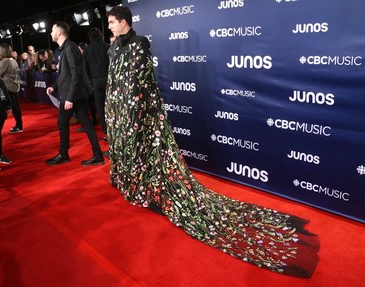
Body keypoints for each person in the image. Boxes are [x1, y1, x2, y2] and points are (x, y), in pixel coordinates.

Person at [105, 6, 319, 278]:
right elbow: (114, 83)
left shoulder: (140, 43)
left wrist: (137, 111)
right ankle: (132, 179)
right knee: (131, 150)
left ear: (124, 22)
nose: (109, 26)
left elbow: (142, 82)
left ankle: (149, 181)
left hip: (142, 113)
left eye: (112, 22)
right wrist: (114, 113)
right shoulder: (112, 48)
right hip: (120, 114)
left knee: (149, 150)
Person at [46, 21, 104, 166]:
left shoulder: (70, 48)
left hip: (73, 95)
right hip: (75, 94)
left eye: (52, 30)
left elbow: (76, 73)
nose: (51, 33)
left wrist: (69, 98)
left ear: (59, 32)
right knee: (85, 123)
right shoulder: (65, 48)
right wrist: (53, 86)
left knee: (62, 122)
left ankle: (64, 154)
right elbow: (65, 74)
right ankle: (97, 155)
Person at [82, 27, 110, 140]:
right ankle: (113, 128)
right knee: (111, 105)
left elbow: (85, 68)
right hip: (109, 81)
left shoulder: (87, 50)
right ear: (101, 35)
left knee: (100, 106)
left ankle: (105, 129)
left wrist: (90, 82)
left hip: (96, 82)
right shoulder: (107, 47)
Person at [0, 43, 23, 133]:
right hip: (15, 86)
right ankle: (19, 125)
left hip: (9, 87)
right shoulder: (13, 60)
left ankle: (19, 126)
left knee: (13, 107)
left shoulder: (5, 62)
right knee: (16, 106)